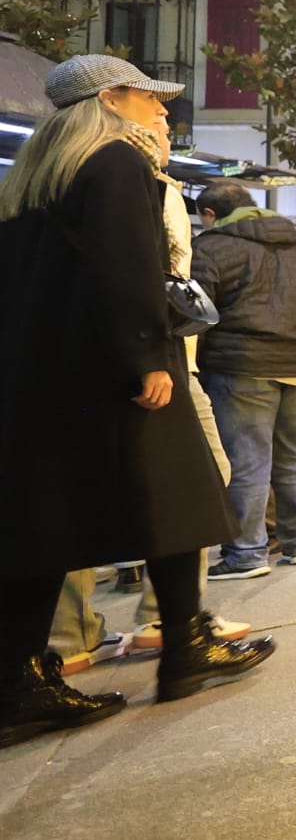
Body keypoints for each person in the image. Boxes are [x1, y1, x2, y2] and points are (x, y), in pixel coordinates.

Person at [2, 55, 273, 747]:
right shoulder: (117, 165)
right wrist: (146, 358)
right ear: (112, 98)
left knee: (47, 525)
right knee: (179, 497)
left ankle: (20, 679)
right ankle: (187, 643)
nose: (161, 113)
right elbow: (124, 270)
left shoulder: (32, 180)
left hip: (44, 376)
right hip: (117, 368)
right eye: (149, 99)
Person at [191, 181, 296, 581]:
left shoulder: (211, 247)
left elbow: (196, 312)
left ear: (210, 214)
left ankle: (246, 553)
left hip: (244, 368)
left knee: (247, 459)